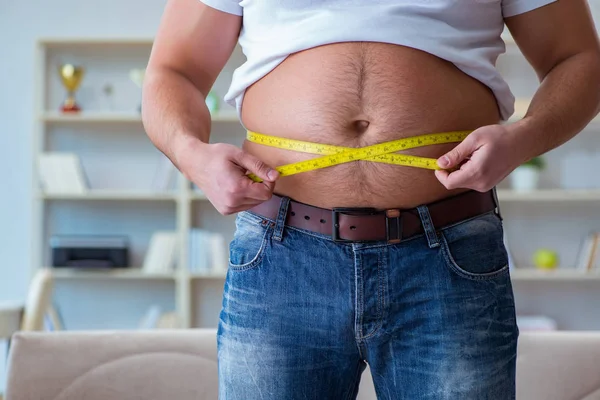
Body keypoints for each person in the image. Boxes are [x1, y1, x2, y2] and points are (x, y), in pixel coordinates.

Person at [142, 0, 600, 398]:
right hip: (281, 254)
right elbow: (174, 70)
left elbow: (579, 59)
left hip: (447, 254)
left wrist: (523, 138)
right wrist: (190, 155)